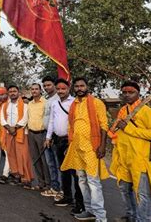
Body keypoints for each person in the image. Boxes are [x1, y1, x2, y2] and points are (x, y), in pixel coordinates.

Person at [110, 81, 151, 222]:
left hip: (140, 159)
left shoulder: (146, 111)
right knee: (125, 190)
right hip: (124, 158)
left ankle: (143, 220)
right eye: (124, 92)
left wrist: (129, 129)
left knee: (143, 194)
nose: (127, 95)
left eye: (130, 92)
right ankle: (131, 216)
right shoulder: (123, 110)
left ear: (138, 93)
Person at [61, 77, 108, 222]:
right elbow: (71, 127)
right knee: (82, 180)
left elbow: (103, 125)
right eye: (77, 86)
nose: (79, 88)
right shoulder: (74, 104)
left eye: (82, 86)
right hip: (77, 147)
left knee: (93, 182)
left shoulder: (96, 102)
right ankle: (89, 210)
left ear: (87, 87)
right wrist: (70, 146)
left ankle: (101, 217)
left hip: (91, 147)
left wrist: (102, 145)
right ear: (74, 88)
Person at [45, 78, 84, 215]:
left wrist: (72, 142)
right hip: (58, 140)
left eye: (64, 89)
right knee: (63, 170)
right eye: (59, 89)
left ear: (69, 89)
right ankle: (67, 197)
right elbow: (51, 121)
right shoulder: (55, 103)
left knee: (75, 173)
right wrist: (48, 137)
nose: (61, 91)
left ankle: (80, 203)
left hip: (71, 141)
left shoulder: (74, 102)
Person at [0, 85, 33, 188]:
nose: (12, 93)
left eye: (14, 91)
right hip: (9, 133)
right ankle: (16, 176)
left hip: (21, 133)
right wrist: (9, 128)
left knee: (23, 156)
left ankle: (26, 179)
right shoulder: (5, 105)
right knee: (12, 155)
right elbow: (2, 119)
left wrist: (15, 128)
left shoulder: (24, 105)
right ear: (8, 93)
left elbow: (25, 118)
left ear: (18, 92)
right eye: (10, 91)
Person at [41, 76, 62, 198]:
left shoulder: (58, 99)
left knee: (58, 163)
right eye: (45, 86)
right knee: (50, 163)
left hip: (55, 136)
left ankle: (62, 190)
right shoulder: (47, 99)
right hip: (47, 134)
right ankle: (55, 187)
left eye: (49, 85)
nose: (46, 87)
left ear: (54, 85)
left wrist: (52, 135)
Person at [27, 83, 51, 191]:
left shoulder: (46, 103)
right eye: (32, 89)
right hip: (31, 134)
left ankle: (48, 184)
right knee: (35, 159)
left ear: (40, 90)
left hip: (42, 134)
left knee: (45, 160)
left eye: (36, 89)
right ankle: (41, 183)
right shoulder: (30, 104)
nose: (34, 91)